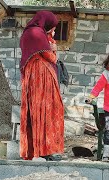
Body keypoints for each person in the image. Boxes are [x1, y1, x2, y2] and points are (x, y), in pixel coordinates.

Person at [19, 11, 65, 161]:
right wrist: (54, 49)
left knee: (34, 112)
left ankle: (34, 151)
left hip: (31, 77)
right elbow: (50, 56)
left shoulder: (27, 32)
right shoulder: (38, 34)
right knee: (47, 111)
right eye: (52, 27)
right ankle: (45, 151)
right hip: (42, 76)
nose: (53, 30)